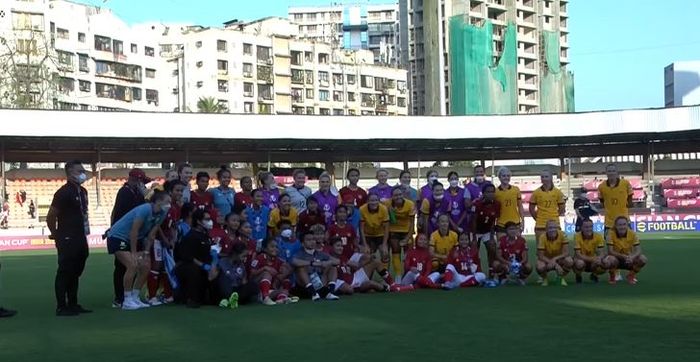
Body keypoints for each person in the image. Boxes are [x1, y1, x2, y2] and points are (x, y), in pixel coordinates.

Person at [107, 191, 171, 310]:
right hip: (118, 237)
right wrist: (134, 253)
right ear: (158, 201)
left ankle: (135, 296)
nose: (169, 204)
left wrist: (146, 252)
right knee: (132, 264)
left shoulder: (163, 212)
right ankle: (126, 300)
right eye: (167, 201)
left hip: (139, 239)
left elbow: (152, 233)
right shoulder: (144, 210)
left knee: (146, 265)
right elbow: (134, 231)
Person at [46, 160, 92, 316]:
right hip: (67, 237)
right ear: (70, 173)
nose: (83, 173)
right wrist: (56, 233)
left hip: (80, 236)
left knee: (76, 269)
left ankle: (73, 303)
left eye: (83, 169)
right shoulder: (63, 192)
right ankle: (61, 306)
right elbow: (51, 215)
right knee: (65, 271)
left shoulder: (83, 191)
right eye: (79, 170)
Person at [109, 168, 149, 308]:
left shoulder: (135, 192)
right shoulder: (125, 192)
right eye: (141, 181)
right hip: (123, 234)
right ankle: (120, 298)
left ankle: (129, 296)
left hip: (131, 234)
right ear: (135, 180)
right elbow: (126, 213)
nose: (143, 184)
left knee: (131, 265)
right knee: (123, 266)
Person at [146, 180, 185, 305]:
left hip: (168, 241)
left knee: (167, 267)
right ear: (170, 191)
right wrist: (164, 239)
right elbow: (157, 226)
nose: (179, 193)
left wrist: (172, 240)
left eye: (181, 191)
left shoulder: (177, 208)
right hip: (157, 239)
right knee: (156, 265)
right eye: (177, 190)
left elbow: (173, 225)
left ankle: (167, 295)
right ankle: (151, 296)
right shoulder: (164, 205)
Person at [174, 209, 215, 308]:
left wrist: (212, 266)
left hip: (205, 265)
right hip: (188, 266)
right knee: (193, 269)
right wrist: (203, 266)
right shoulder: (190, 236)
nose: (210, 221)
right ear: (198, 221)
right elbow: (188, 257)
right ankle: (191, 298)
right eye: (207, 219)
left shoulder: (206, 236)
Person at [292, 232, 341, 301]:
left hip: (320, 283)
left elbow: (337, 261)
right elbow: (294, 262)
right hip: (305, 286)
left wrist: (325, 263)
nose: (312, 242)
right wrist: (313, 263)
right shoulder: (299, 254)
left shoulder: (320, 253)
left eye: (313, 239)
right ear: (302, 243)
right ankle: (313, 293)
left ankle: (331, 292)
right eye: (308, 240)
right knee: (301, 268)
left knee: (333, 267)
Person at [210, 242, 259, 309]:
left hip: (236, 291)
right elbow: (211, 278)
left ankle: (231, 300)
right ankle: (228, 299)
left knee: (253, 285)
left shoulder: (241, 266)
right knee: (223, 278)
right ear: (235, 254)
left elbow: (244, 282)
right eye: (243, 256)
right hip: (224, 289)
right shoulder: (222, 262)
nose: (244, 259)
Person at [603, 216, 647, 285]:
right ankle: (612, 276)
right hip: (616, 259)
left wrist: (632, 257)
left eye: (624, 224)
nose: (622, 227)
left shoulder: (632, 234)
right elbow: (610, 251)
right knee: (610, 260)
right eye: (620, 225)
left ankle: (631, 275)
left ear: (627, 225)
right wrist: (623, 256)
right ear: (616, 226)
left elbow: (638, 250)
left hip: (629, 259)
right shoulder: (610, 234)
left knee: (643, 259)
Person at [250, 239, 294, 305]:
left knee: (285, 288)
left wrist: (282, 275)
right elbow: (252, 274)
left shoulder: (278, 260)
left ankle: (281, 299)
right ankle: (265, 298)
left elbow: (290, 269)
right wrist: (265, 268)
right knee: (267, 273)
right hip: (257, 290)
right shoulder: (259, 258)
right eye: (272, 247)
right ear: (265, 249)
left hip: (270, 290)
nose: (275, 249)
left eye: (276, 247)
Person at [385, 186, 416, 280]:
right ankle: (398, 276)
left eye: (400, 194)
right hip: (393, 231)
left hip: (407, 231)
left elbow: (412, 224)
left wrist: (407, 238)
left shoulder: (410, 204)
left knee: (409, 255)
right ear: (392, 197)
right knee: (396, 252)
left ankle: (408, 275)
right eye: (395, 195)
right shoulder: (387, 204)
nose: (398, 197)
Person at [471, 184, 500, 277]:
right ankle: (475, 272)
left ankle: (491, 271)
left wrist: (492, 237)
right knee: (474, 251)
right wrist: (475, 238)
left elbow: (493, 221)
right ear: (483, 193)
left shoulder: (497, 204)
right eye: (488, 192)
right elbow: (473, 221)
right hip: (475, 231)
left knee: (492, 247)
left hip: (487, 231)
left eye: (492, 192)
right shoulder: (477, 204)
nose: (490, 194)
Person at [529, 170, 566, 242]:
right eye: (542, 177)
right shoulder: (536, 193)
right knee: (540, 249)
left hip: (555, 224)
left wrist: (554, 216)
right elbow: (531, 209)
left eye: (546, 176)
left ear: (551, 178)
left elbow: (562, 208)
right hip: (540, 225)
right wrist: (538, 218)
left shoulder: (558, 192)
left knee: (556, 248)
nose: (544, 179)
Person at [598, 164, 633, 237]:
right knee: (610, 244)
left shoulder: (625, 183)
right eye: (609, 171)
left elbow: (630, 198)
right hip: (609, 222)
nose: (611, 173)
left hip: (624, 221)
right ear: (606, 173)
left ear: (617, 172)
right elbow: (602, 201)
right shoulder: (601, 186)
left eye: (613, 171)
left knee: (629, 243)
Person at [536, 220, 573, 287]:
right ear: (546, 229)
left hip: (559, 258)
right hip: (546, 259)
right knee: (539, 266)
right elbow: (540, 256)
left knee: (569, 261)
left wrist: (554, 259)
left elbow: (566, 252)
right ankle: (545, 279)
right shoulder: (542, 237)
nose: (552, 229)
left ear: (557, 228)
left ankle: (561, 277)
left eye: (554, 227)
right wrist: (555, 265)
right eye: (550, 228)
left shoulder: (562, 234)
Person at [573, 219, 609, 284]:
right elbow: (578, 255)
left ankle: (594, 275)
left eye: (590, 227)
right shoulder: (577, 236)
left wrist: (599, 258)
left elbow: (601, 252)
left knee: (606, 263)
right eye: (586, 227)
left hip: (593, 261)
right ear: (582, 228)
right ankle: (578, 275)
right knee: (579, 263)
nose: (589, 229)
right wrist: (593, 259)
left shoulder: (598, 236)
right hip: (581, 260)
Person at [359, 193, 390, 262]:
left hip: (380, 234)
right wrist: (365, 244)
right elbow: (361, 228)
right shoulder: (362, 209)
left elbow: (386, 228)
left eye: (376, 200)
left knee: (385, 253)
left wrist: (384, 245)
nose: (374, 202)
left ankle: (385, 272)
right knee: (365, 253)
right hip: (367, 235)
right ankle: (367, 271)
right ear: (367, 201)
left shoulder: (383, 209)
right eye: (371, 200)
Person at [495, 167, 524, 237]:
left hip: (515, 223)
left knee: (517, 246)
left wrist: (523, 220)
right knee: (501, 246)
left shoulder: (516, 189)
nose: (506, 178)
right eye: (504, 176)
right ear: (499, 177)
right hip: (501, 224)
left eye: (508, 176)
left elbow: (520, 206)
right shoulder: (495, 192)